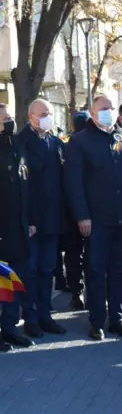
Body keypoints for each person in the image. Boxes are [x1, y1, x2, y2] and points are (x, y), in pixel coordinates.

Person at [65, 94, 122, 340]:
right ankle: (97, 320)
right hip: (95, 220)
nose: (108, 111)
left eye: (110, 107)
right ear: (93, 112)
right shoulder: (79, 142)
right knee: (96, 271)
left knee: (118, 272)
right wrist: (82, 216)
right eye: (103, 108)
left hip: (119, 218)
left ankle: (116, 319)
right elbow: (74, 184)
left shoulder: (118, 138)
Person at [0, 104, 34, 350]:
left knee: (17, 280)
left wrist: (30, 220)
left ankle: (11, 329)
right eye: (5, 119)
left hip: (20, 226)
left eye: (11, 117)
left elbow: (25, 184)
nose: (10, 122)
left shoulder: (15, 145)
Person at [15, 99, 67, 336]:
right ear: (31, 116)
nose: (48, 116)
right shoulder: (20, 143)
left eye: (50, 112)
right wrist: (29, 220)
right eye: (44, 113)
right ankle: (31, 318)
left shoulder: (55, 142)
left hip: (53, 220)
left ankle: (46, 315)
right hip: (32, 222)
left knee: (48, 270)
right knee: (31, 271)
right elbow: (22, 187)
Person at [62, 111, 90, 311]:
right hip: (90, 212)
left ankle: (76, 293)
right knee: (91, 257)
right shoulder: (89, 144)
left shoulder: (66, 145)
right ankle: (86, 295)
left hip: (70, 213)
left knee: (73, 257)